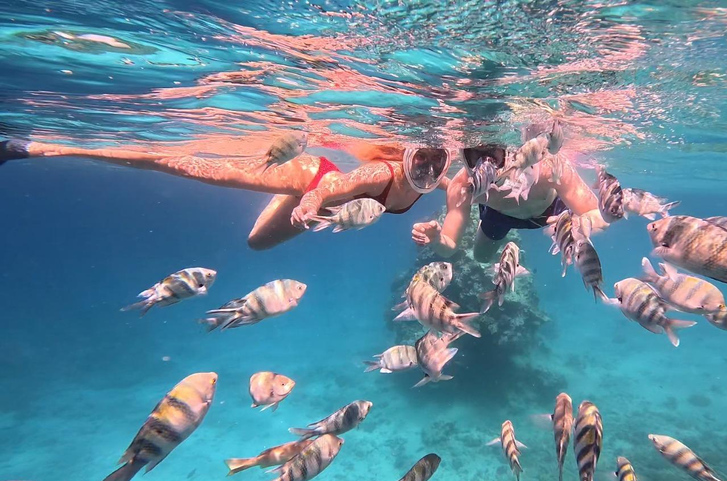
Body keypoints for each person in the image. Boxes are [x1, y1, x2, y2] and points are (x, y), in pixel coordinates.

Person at [0, 138, 452, 250]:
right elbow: (337, 186)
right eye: (420, 161)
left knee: (256, 243)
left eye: (437, 165)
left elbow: (464, 198)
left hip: (323, 203)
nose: (427, 172)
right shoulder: (380, 172)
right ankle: (36, 148)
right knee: (191, 169)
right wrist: (311, 200)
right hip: (315, 177)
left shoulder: (440, 178)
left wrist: (437, 228)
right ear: (405, 155)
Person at [411, 125, 607, 262]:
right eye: (474, 155)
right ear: (463, 157)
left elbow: (600, 215)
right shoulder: (462, 187)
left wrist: (576, 227)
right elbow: (449, 245)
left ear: (506, 152)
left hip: (551, 211)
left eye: (492, 155)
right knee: (482, 258)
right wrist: (436, 240)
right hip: (499, 215)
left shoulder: (548, 167)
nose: (484, 166)